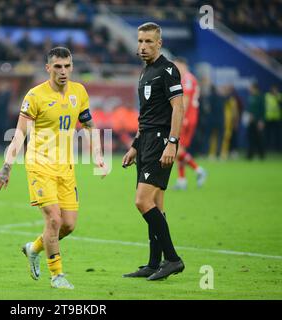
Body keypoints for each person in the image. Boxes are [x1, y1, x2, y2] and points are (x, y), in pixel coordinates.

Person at [0, 47, 106, 289]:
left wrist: (97, 153)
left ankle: (33, 248)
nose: (63, 71)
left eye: (67, 66)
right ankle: (57, 275)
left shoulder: (79, 92)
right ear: (48, 68)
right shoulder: (35, 96)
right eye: (57, 66)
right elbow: (19, 134)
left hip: (66, 168)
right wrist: (6, 167)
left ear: (72, 67)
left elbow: (88, 125)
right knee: (54, 219)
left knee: (68, 225)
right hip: (39, 165)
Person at [121, 22, 185, 281]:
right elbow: (145, 116)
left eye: (148, 41)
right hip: (146, 141)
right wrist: (135, 146)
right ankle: (153, 263)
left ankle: (173, 259)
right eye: (140, 41)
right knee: (156, 203)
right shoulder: (145, 72)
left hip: (161, 142)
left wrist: (172, 142)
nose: (143, 46)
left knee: (142, 201)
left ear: (159, 43)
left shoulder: (168, 70)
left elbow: (178, 109)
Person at [172, 57, 206, 190]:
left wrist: (180, 118)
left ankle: (198, 170)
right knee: (179, 149)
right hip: (190, 118)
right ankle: (182, 180)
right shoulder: (188, 78)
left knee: (175, 149)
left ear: (183, 65)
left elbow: (184, 101)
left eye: (177, 65)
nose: (176, 68)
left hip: (186, 118)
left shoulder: (186, 79)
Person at [246, 82, 265, 160]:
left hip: (258, 121)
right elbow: (249, 109)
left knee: (258, 138)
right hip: (251, 120)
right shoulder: (250, 97)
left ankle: (261, 155)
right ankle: (250, 155)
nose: (249, 89)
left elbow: (262, 109)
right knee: (251, 138)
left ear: (255, 88)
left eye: (251, 87)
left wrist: (261, 120)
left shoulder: (260, 97)